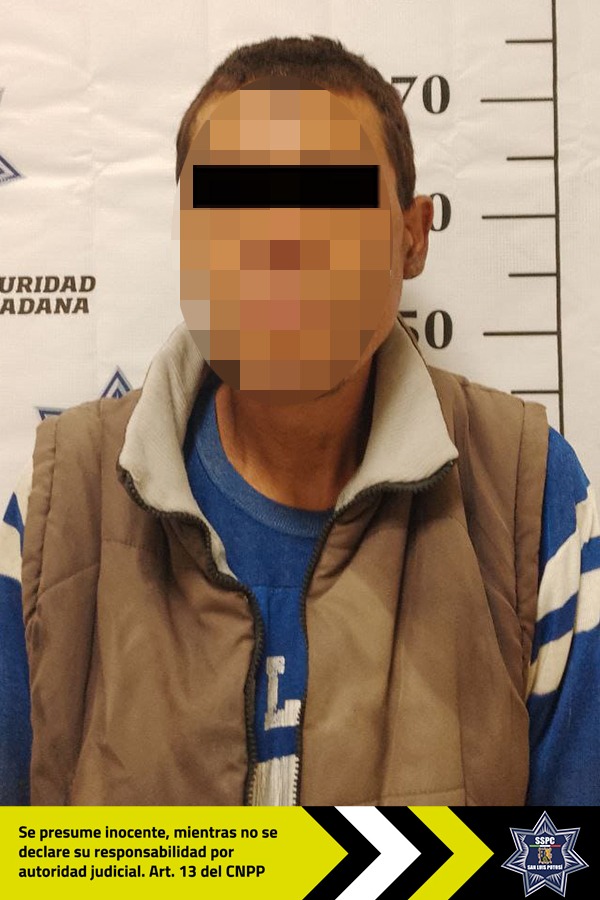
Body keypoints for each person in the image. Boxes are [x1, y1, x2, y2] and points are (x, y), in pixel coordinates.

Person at [0, 35, 598, 806]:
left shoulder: (530, 499)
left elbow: (557, 856)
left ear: (411, 237)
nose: (279, 246)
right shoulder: (56, 513)